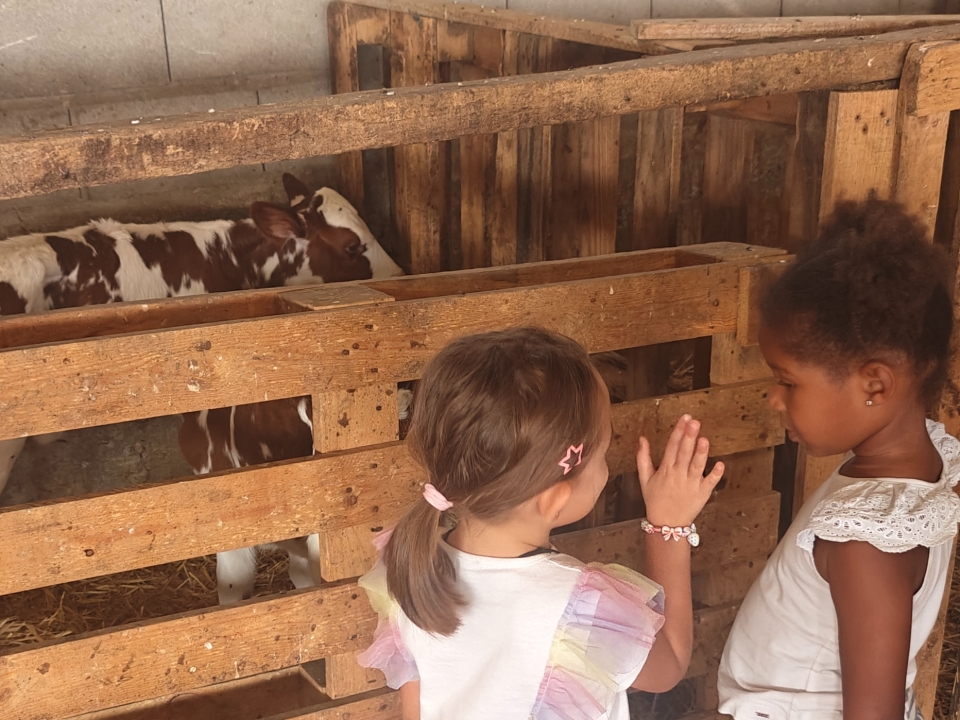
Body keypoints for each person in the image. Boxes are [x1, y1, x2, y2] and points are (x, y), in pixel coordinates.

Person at [356, 326, 723, 720]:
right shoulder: (576, 605)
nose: (606, 465)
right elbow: (668, 666)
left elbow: (417, 706)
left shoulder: (410, 561)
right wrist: (669, 527)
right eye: (602, 452)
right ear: (553, 499)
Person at [718, 198, 960, 720]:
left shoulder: (865, 540)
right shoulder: (916, 469)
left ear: (874, 384)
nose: (773, 400)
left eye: (787, 381)